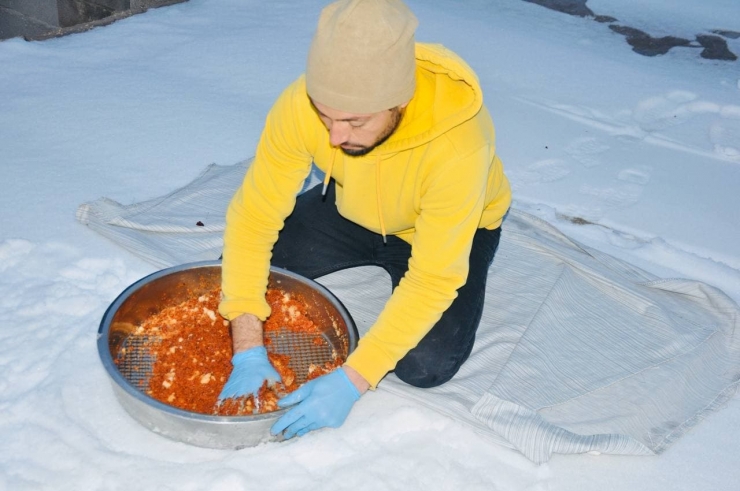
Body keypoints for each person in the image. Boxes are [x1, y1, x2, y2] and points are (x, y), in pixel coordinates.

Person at [217, 0, 511, 439]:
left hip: (438, 231)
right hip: (350, 207)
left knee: (425, 366)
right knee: (243, 272)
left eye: (355, 121)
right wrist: (246, 349)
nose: (335, 137)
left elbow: (431, 280)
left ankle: (473, 265)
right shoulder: (300, 104)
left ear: (401, 101)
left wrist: (353, 379)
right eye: (325, 116)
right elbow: (254, 217)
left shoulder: (457, 147)